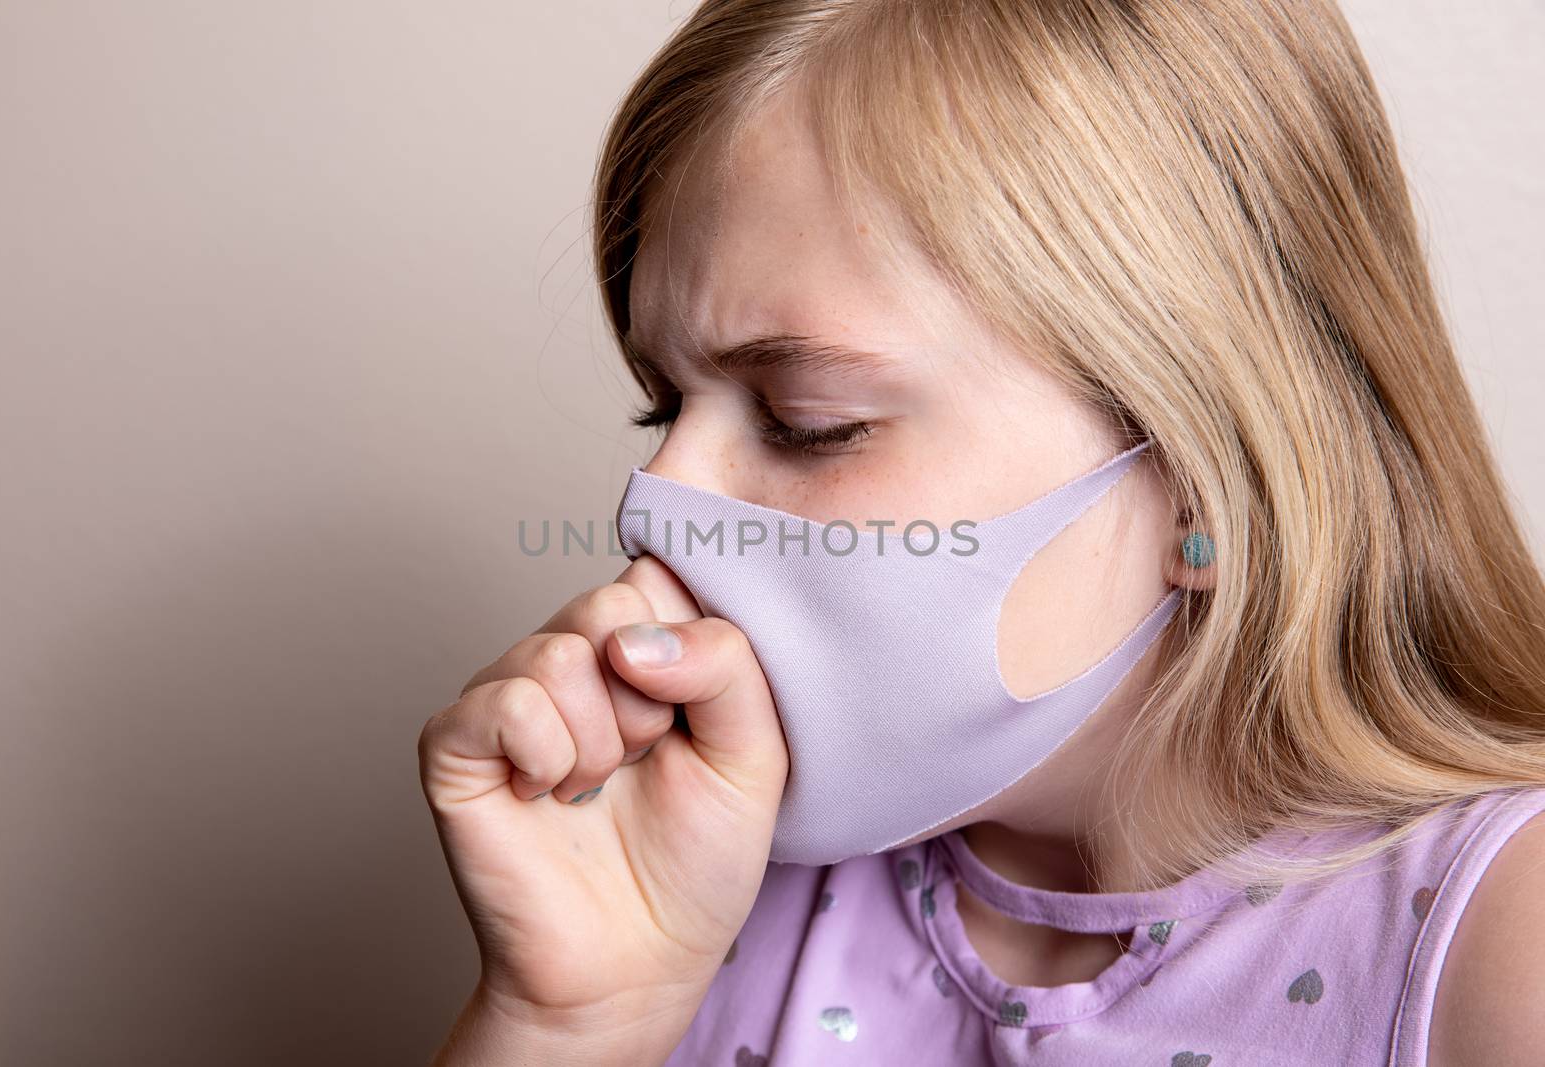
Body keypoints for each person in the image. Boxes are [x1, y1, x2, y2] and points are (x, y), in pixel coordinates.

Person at [418, 1, 1545, 1063]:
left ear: (1212, 478)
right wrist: (569, 1022)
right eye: (666, 405)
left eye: (809, 422)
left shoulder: (1498, 940)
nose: (657, 501)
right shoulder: (695, 886)